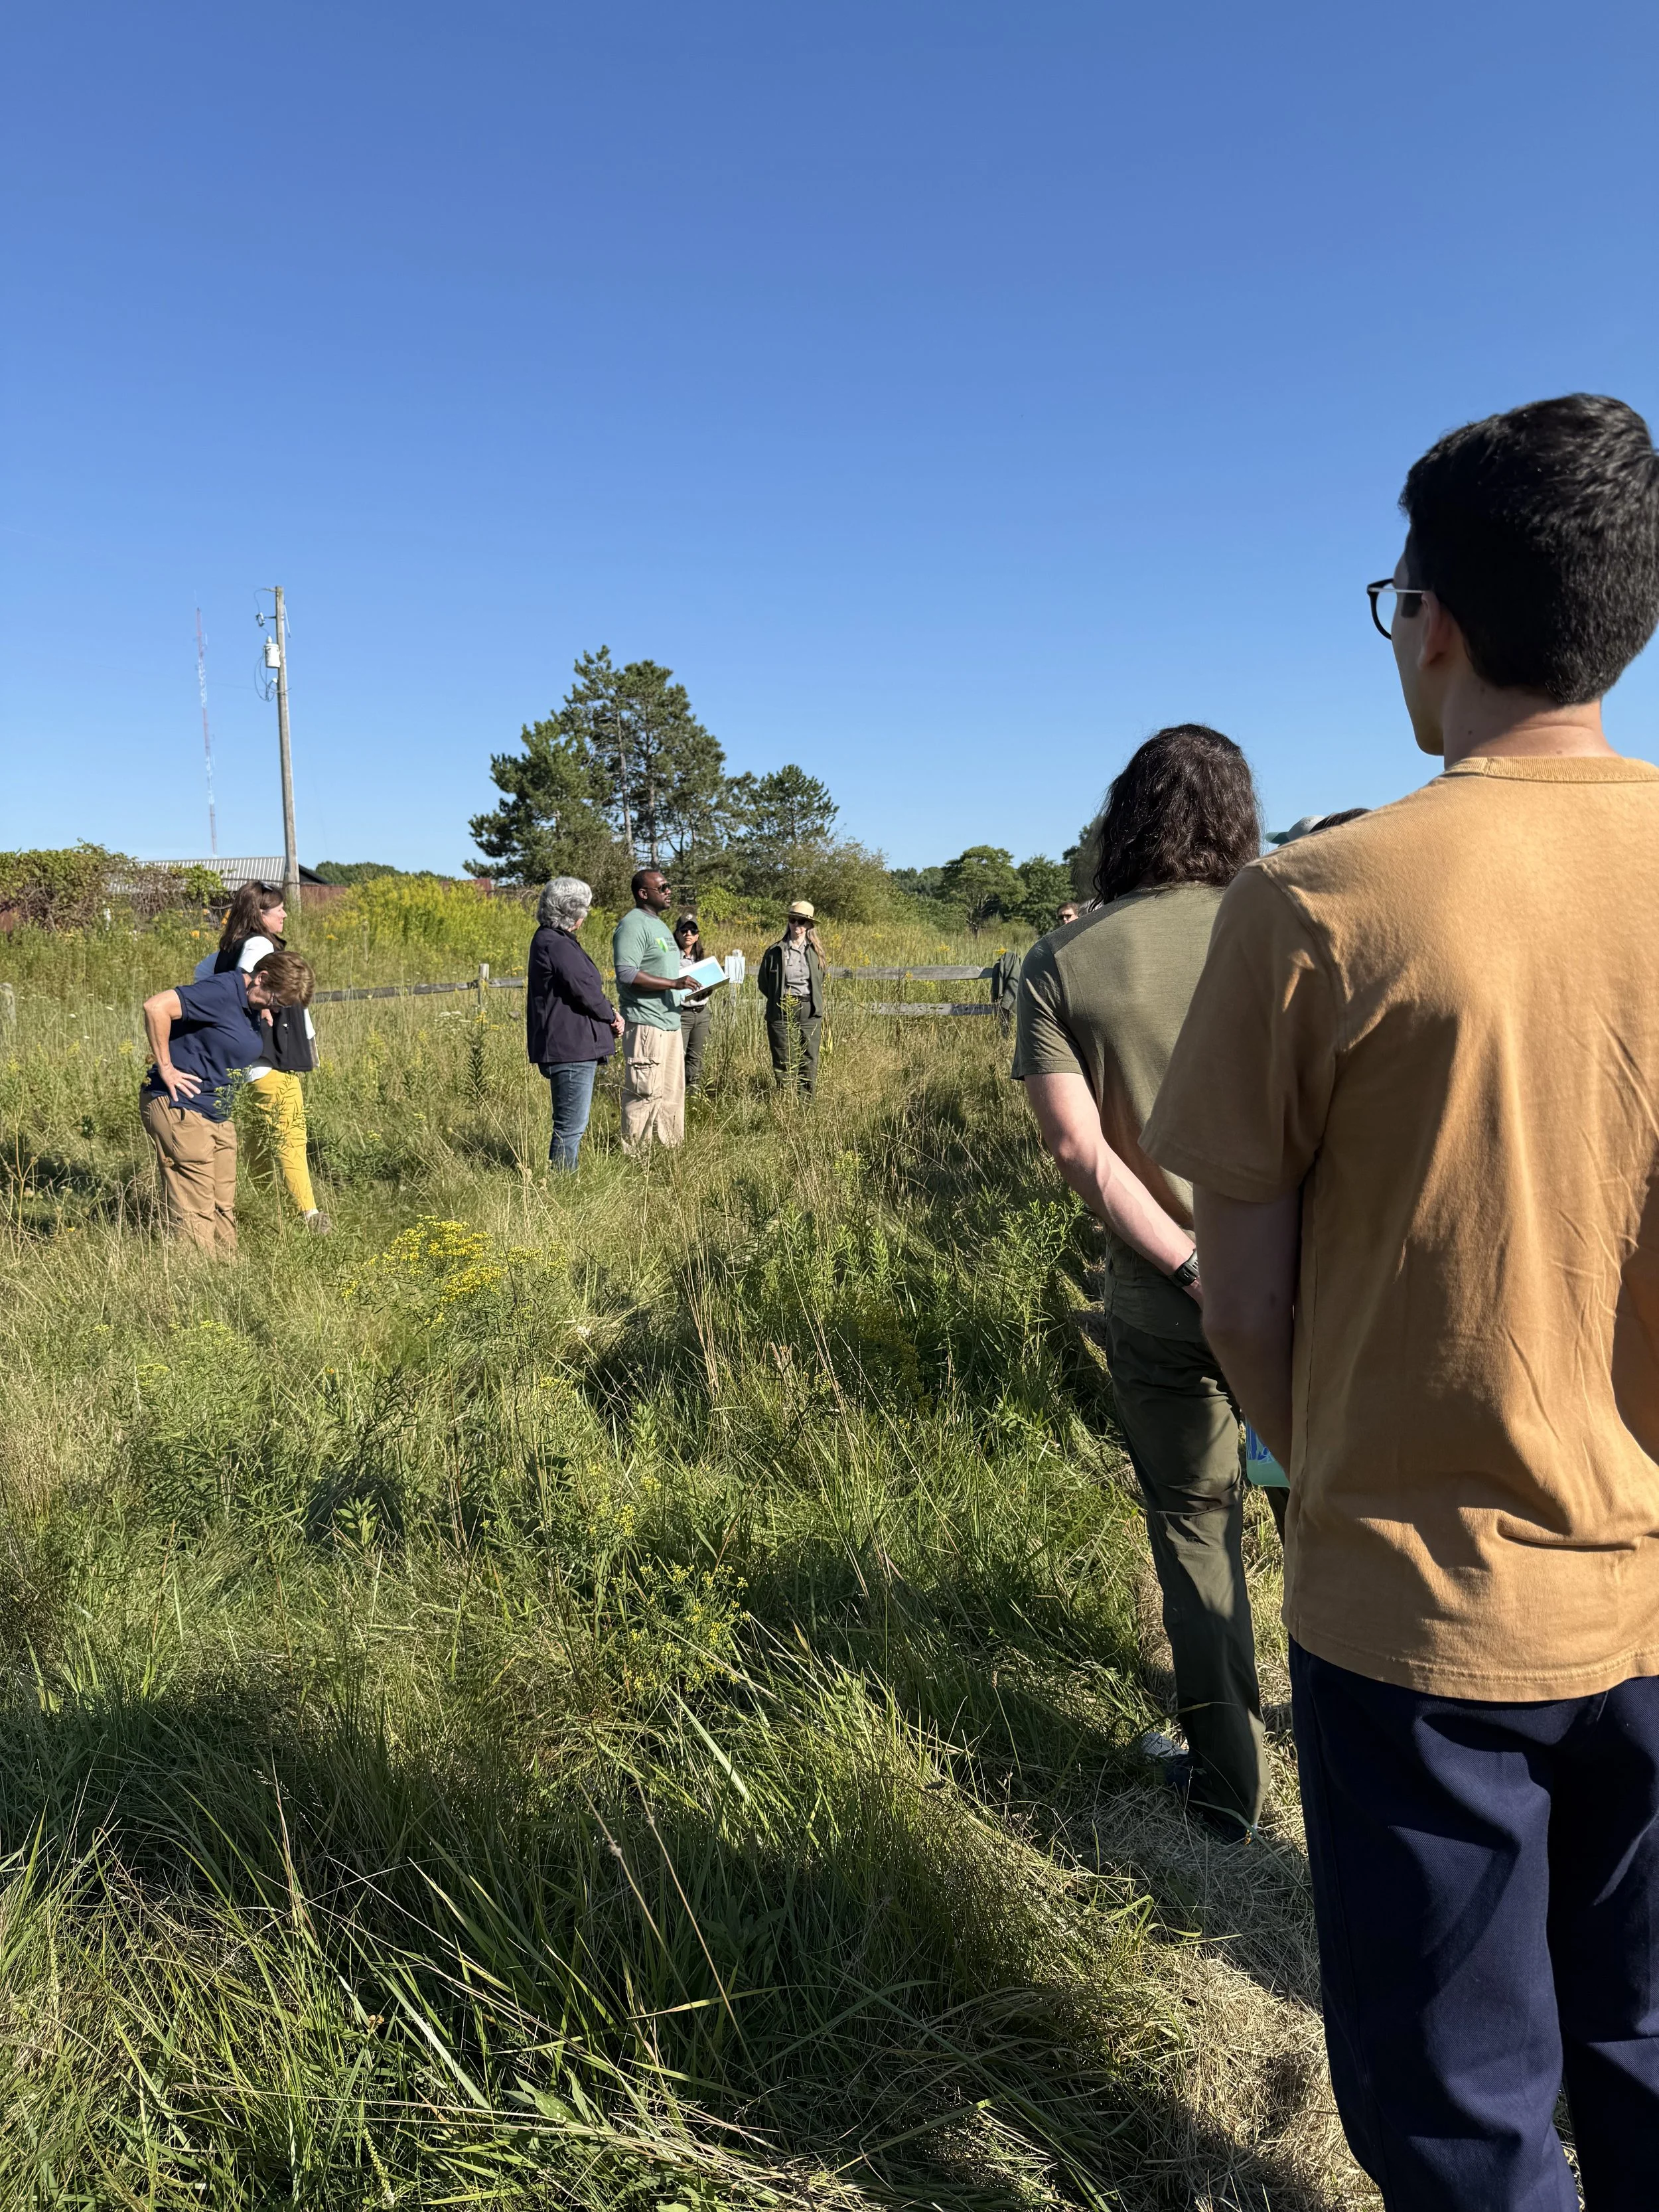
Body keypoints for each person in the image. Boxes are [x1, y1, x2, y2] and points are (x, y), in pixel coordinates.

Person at [1144, 394, 1659, 2207]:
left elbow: (1240, 1292)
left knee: (1461, 2107)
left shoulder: (1314, 898)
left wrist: (1336, 1464)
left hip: (1413, 1613)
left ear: (1425, 620)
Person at [1014, 725, 1268, 1842]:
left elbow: (1078, 1151)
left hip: (1163, 1300)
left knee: (1194, 1526)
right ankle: (1362, 1756)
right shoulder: (1288, 924)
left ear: (1127, 818)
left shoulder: (1065, 962)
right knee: (1333, 1519)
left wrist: (1188, 1261)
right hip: (1311, 1294)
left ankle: (1228, 1781)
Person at [141, 949, 316, 1256]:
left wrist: (260, 1013)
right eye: (277, 1002)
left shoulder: (251, 1003)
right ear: (261, 978)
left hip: (217, 1112)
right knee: (195, 1208)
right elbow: (156, 1007)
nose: (277, 1010)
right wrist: (166, 1068)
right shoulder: (221, 991)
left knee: (222, 1203)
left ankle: (227, 1277)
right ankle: (192, 1280)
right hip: (183, 1107)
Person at [193, 881, 329, 1232]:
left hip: (246, 1065)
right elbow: (248, 983)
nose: (285, 913)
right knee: (291, 1137)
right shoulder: (256, 945)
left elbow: (201, 975)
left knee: (258, 1141)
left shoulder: (231, 945)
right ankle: (309, 1216)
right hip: (269, 1060)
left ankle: (265, 1211)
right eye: (278, 909)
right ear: (260, 915)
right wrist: (260, 1016)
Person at [526, 876, 623, 1169]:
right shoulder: (556, 944)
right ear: (573, 912)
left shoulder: (553, 940)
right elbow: (585, 989)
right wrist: (612, 1015)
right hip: (570, 1048)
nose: (587, 915)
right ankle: (562, 1189)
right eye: (585, 909)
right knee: (570, 1127)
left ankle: (563, 1183)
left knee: (570, 1124)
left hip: (568, 1044)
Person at [611, 867, 707, 1151]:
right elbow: (627, 974)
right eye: (663, 887)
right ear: (644, 894)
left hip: (670, 1023)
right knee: (644, 1093)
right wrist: (674, 983)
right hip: (646, 1025)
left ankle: (670, 1155)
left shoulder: (660, 926)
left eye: (668, 887)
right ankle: (637, 1157)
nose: (669, 891)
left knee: (671, 1093)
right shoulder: (632, 925)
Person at [757, 900, 826, 1094]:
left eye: (801, 922)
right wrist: (780, 999)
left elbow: (820, 980)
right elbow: (764, 983)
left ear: (809, 925)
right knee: (783, 1058)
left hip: (809, 1009)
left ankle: (805, 1103)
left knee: (809, 1058)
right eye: (793, 920)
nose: (797, 925)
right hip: (781, 1008)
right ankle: (785, 1099)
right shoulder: (775, 951)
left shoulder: (815, 952)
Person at [673, 915, 714, 1092]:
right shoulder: (670, 958)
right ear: (677, 934)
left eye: (693, 931)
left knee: (697, 1057)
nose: (688, 934)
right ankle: (675, 1094)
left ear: (697, 936)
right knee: (676, 1057)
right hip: (681, 1014)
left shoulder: (702, 959)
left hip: (702, 1012)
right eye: (684, 930)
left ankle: (694, 1096)